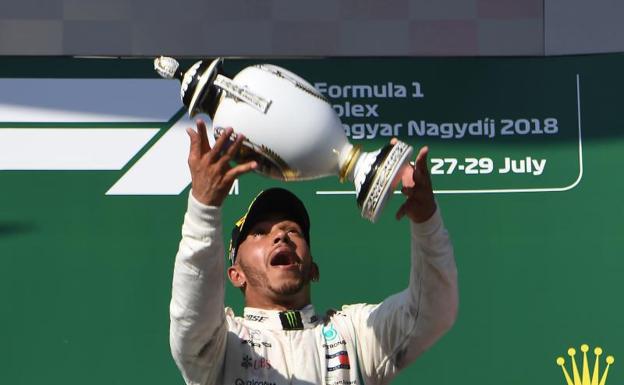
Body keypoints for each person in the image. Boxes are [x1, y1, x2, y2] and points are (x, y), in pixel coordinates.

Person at [170, 120, 458, 385]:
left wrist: (426, 220)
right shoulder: (222, 343)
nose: (280, 236)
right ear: (236, 274)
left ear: (313, 269)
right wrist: (203, 209)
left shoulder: (354, 334)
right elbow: (190, 315)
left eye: (292, 231)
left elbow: (432, 312)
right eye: (260, 232)